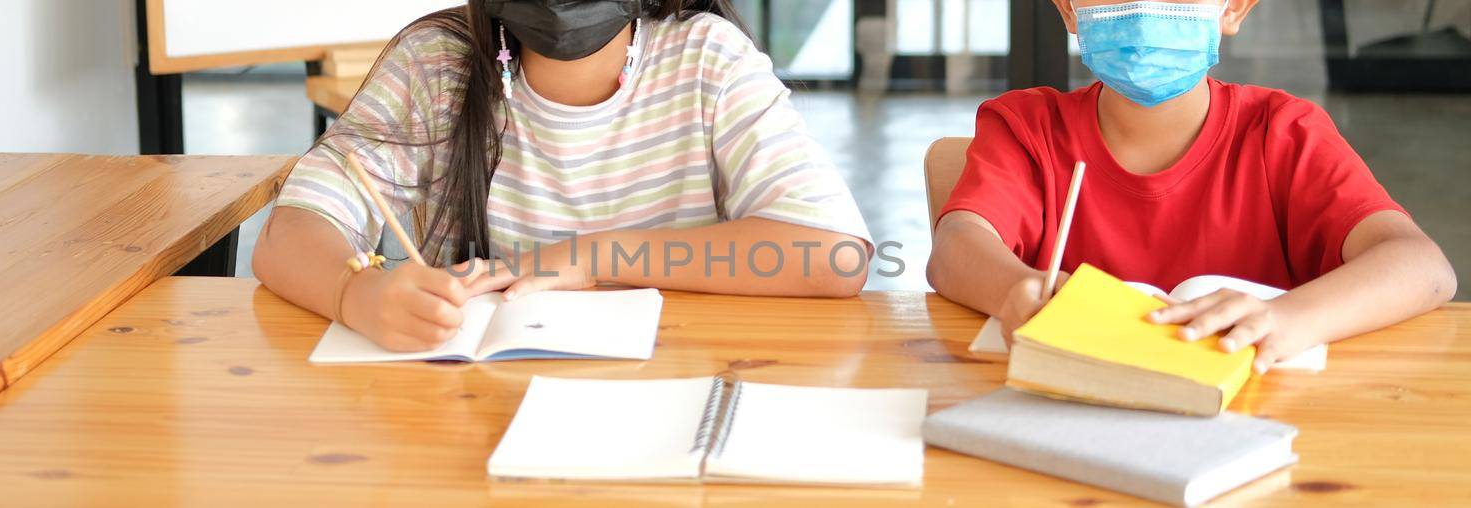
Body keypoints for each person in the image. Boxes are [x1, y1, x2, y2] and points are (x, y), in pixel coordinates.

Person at [254, 0, 872, 352]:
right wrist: (353, 294)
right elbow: (290, 233)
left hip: (671, 395)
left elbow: (834, 255)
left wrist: (588, 258)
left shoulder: (710, 59)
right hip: (472, 416)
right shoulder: (435, 63)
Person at [926, 0, 1457, 372]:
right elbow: (954, 248)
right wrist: (1013, 292)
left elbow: (1424, 268)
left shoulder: (1285, 133)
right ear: (1069, 9)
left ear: (1233, 9)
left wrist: (1287, 319)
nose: (1144, 5)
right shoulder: (1026, 126)